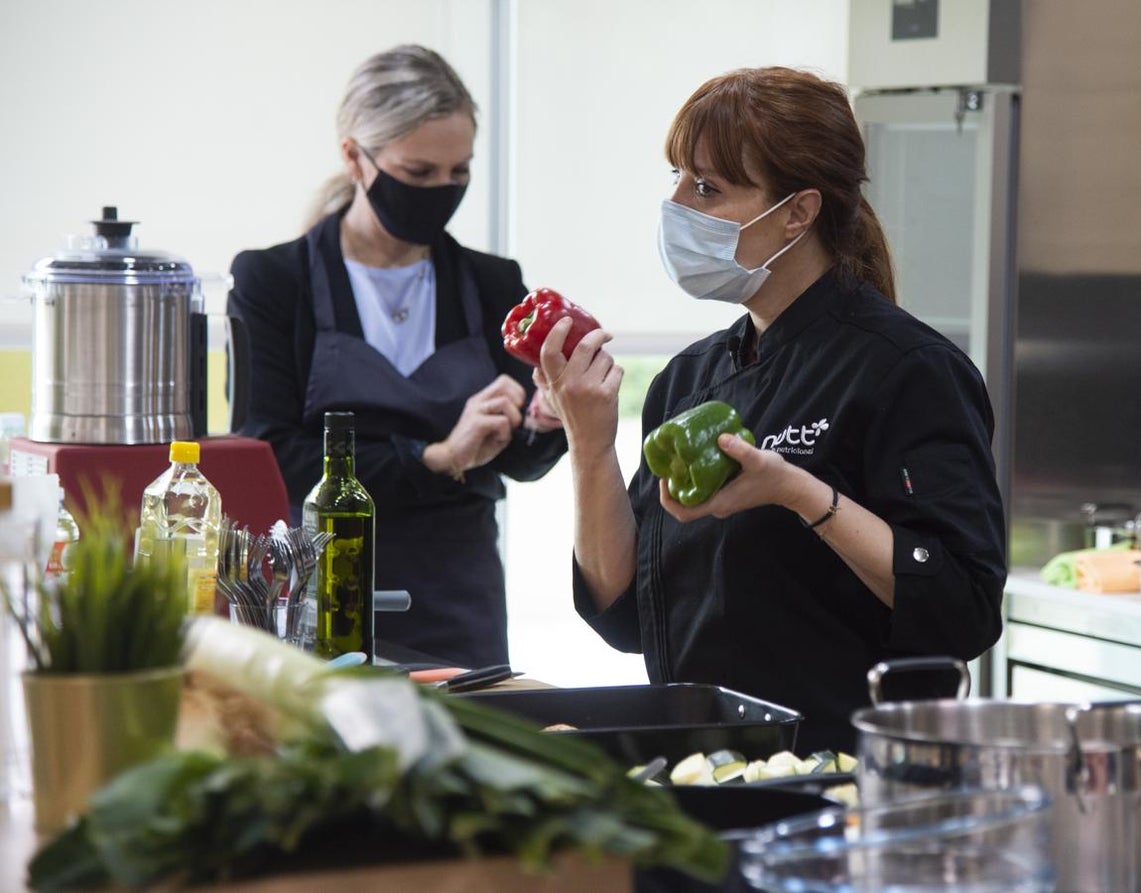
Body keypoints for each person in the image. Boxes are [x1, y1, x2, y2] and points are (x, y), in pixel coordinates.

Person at [533, 67, 1005, 752]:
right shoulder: (689, 379)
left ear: (797, 212)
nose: (676, 207)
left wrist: (796, 491)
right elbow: (626, 613)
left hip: (848, 784)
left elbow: (961, 606)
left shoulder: (907, 369)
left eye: (706, 188)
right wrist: (590, 441)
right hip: (703, 772)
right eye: (676, 179)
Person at [227, 45, 566, 670]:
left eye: (458, 173)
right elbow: (273, 453)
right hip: (319, 590)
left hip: (459, 594)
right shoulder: (275, 282)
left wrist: (546, 419)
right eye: (419, 173)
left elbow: (521, 457)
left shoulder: (493, 284)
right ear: (355, 156)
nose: (442, 190)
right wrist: (437, 458)